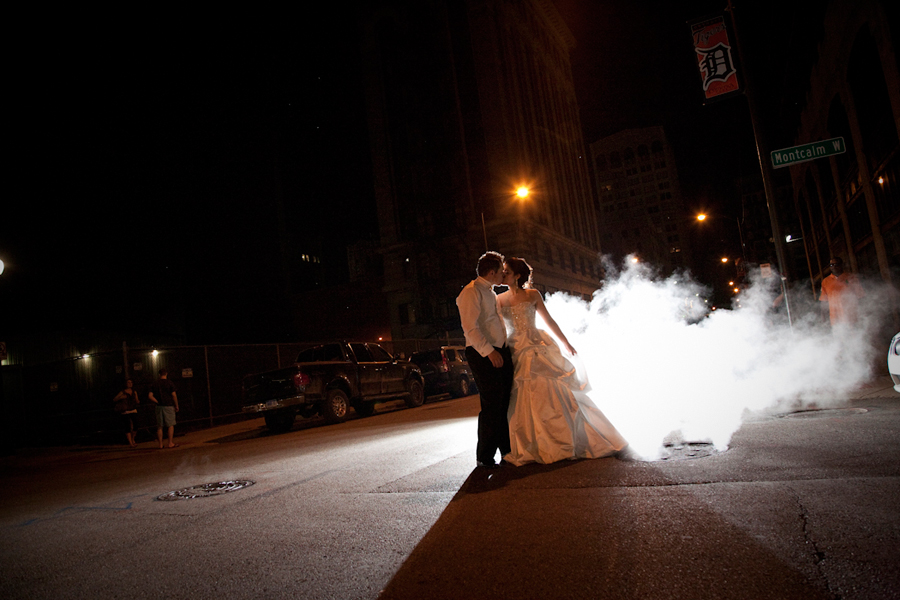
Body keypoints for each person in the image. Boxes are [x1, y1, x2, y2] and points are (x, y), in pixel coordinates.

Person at [497, 257, 626, 466]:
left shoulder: (533, 294)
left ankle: (563, 439)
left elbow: (548, 320)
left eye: (507, 272)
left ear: (518, 276)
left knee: (555, 391)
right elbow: (497, 328)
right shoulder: (499, 299)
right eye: (503, 272)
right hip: (516, 347)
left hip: (537, 344)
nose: (503, 275)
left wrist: (566, 343)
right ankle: (533, 443)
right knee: (522, 394)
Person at [456, 251, 514, 468]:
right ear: (492, 272)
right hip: (483, 354)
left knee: (502, 403)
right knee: (492, 404)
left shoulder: (490, 292)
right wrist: (490, 352)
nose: (503, 276)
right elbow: (470, 328)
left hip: (500, 351)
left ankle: (506, 450)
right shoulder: (470, 292)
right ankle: (484, 457)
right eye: (501, 272)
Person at [819, 256, 865, 327]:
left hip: (852, 317)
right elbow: (824, 301)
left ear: (841, 265)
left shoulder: (852, 278)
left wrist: (863, 314)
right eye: (831, 265)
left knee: (855, 337)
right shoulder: (825, 282)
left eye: (836, 264)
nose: (833, 266)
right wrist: (823, 318)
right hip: (835, 319)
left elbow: (860, 297)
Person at [148, 369, 179, 448]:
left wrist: (157, 401)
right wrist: (176, 405)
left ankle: (160, 444)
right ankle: (170, 443)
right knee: (170, 425)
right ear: (166, 374)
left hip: (159, 407)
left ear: (159, 375)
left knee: (160, 426)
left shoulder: (155, 383)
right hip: (168, 405)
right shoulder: (169, 383)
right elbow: (174, 395)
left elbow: (150, 396)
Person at [112, 378, 140, 447]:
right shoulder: (123, 392)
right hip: (125, 411)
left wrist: (137, 401)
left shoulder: (134, 392)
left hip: (133, 409)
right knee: (127, 426)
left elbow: (137, 400)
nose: (130, 384)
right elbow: (114, 399)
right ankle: (130, 442)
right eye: (128, 382)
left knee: (135, 425)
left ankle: (133, 439)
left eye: (131, 382)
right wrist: (121, 398)